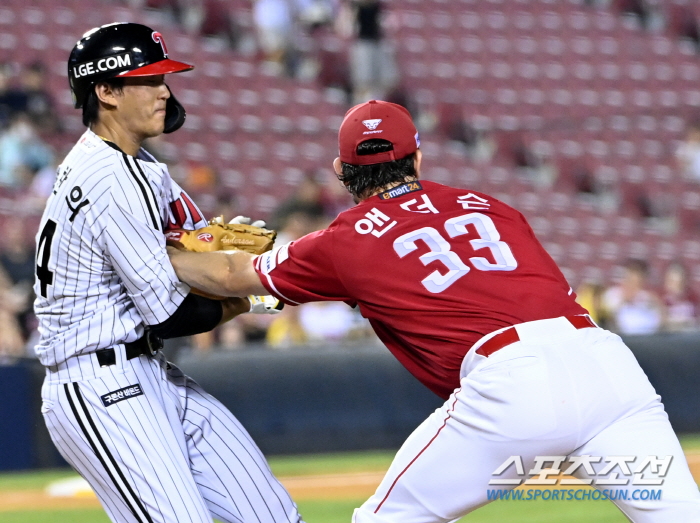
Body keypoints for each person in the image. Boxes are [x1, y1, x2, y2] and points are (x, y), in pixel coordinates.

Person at [168, 100, 700, 522]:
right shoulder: (492, 206)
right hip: (607, 365)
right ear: (418, 159)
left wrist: (157, 253)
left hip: (515, 384)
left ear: (340, 171)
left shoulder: (346, 238)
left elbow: (229, 275)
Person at [33, 23, 303, 523]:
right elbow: (175, 314)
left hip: (149, 372)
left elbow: (195, 242)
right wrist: (250, 297)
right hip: (99, 385)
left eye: (164, 78)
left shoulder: (140, 167)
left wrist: (213, 250)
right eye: (148, 79)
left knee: (274, 516)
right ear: (106, 91)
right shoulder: (110, 177)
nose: (164, 90)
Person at [602, 258, 663, 336]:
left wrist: (658, 305)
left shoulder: (647, 297)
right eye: (631, 277)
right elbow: (606, 318)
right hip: (620, 337)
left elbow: (659, 321)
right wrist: (624, 300)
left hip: (647, 338)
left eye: (638, 278)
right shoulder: (613, 294)